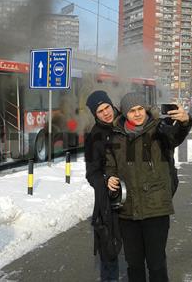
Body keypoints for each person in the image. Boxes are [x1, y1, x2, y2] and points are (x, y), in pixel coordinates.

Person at [105, 93, 192, 282]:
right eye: (132, 111)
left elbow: (177, 136)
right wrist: (110, 177)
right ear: (125, 114)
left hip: (156, 209)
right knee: (134, 265)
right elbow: (110, 166)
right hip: (127, 211)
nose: (137, 114)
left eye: (140, 109)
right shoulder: (115, 137)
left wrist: (185, 122)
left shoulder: (160, 131)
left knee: (156, 264)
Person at [84, 90, 121, 282]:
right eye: (100, 111)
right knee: (109, 252)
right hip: (108, 203)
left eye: (107, 107)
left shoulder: (126, 123)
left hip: (135, 198)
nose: (106, 112)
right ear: (95, 115)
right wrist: (106, 179)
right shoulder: (94, 137)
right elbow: (91, 173)